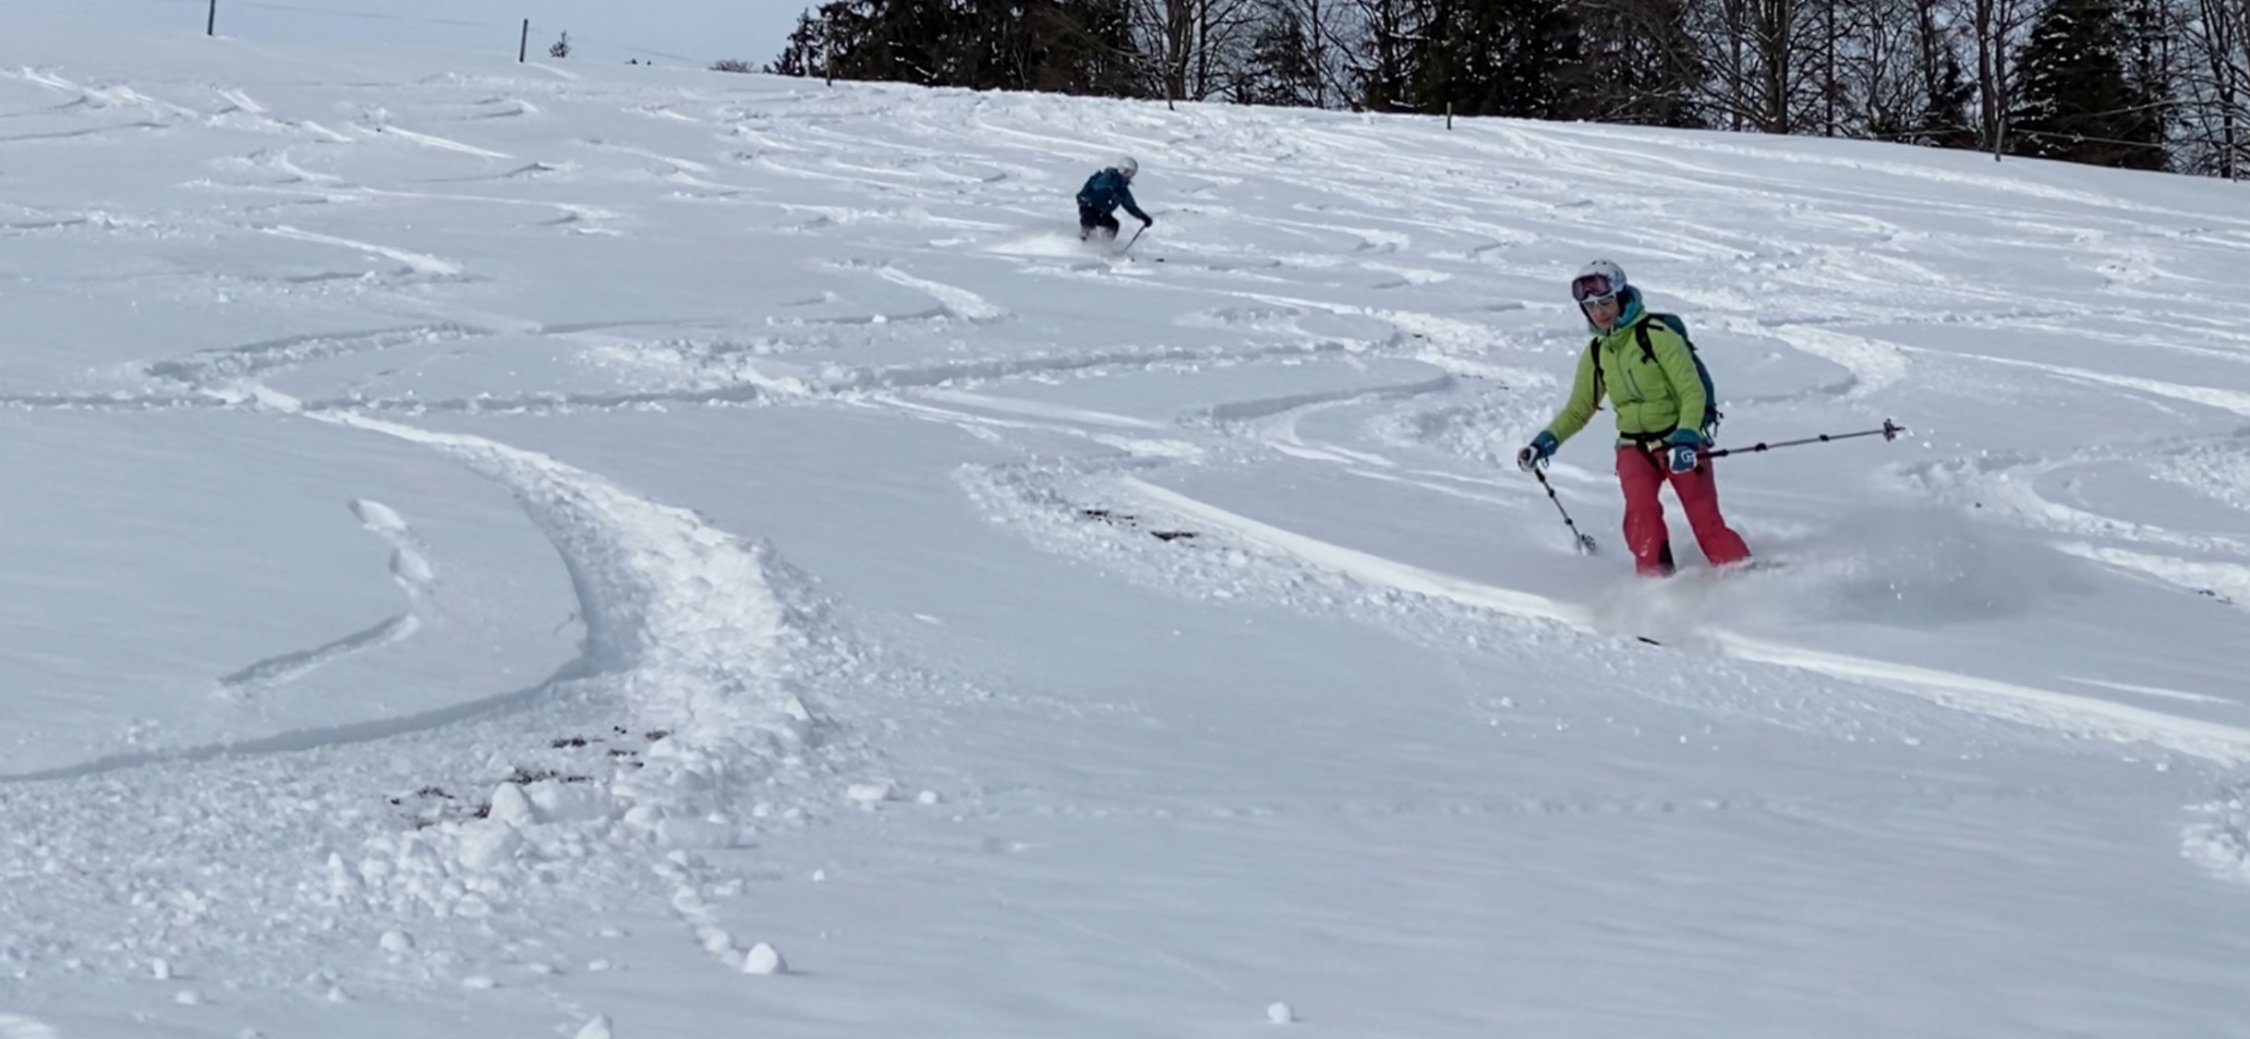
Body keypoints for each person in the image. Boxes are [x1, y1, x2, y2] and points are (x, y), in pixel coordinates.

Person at [1516, 260, 1752, 577]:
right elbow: (1578, 409)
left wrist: (1686, 438)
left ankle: (1743, 575)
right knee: (1641, 515)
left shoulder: (1657, 336)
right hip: (1633, 446)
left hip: (1678, 440)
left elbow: (1691, 391)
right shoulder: (1597, 352)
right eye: (1590, 307)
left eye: (1605, 302)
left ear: (1621, 297)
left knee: (1704, 518)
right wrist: (1544, 443)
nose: (1599, 312)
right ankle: (1656, 582)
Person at [1077, 156, 1152, 242]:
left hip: (1103, 211)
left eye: (1132, 174)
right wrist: (1111, 189)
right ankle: (1082, 240)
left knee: (1113, 224)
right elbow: (1098, 186)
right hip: (1089, 205)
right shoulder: (1109, 176)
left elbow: (1130, 206)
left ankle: (1104, 244)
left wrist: (1143, 217)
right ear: (1121, 169)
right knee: (1089, 220)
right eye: (1127, 172)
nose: (1129, 176)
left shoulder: (1122, 189)